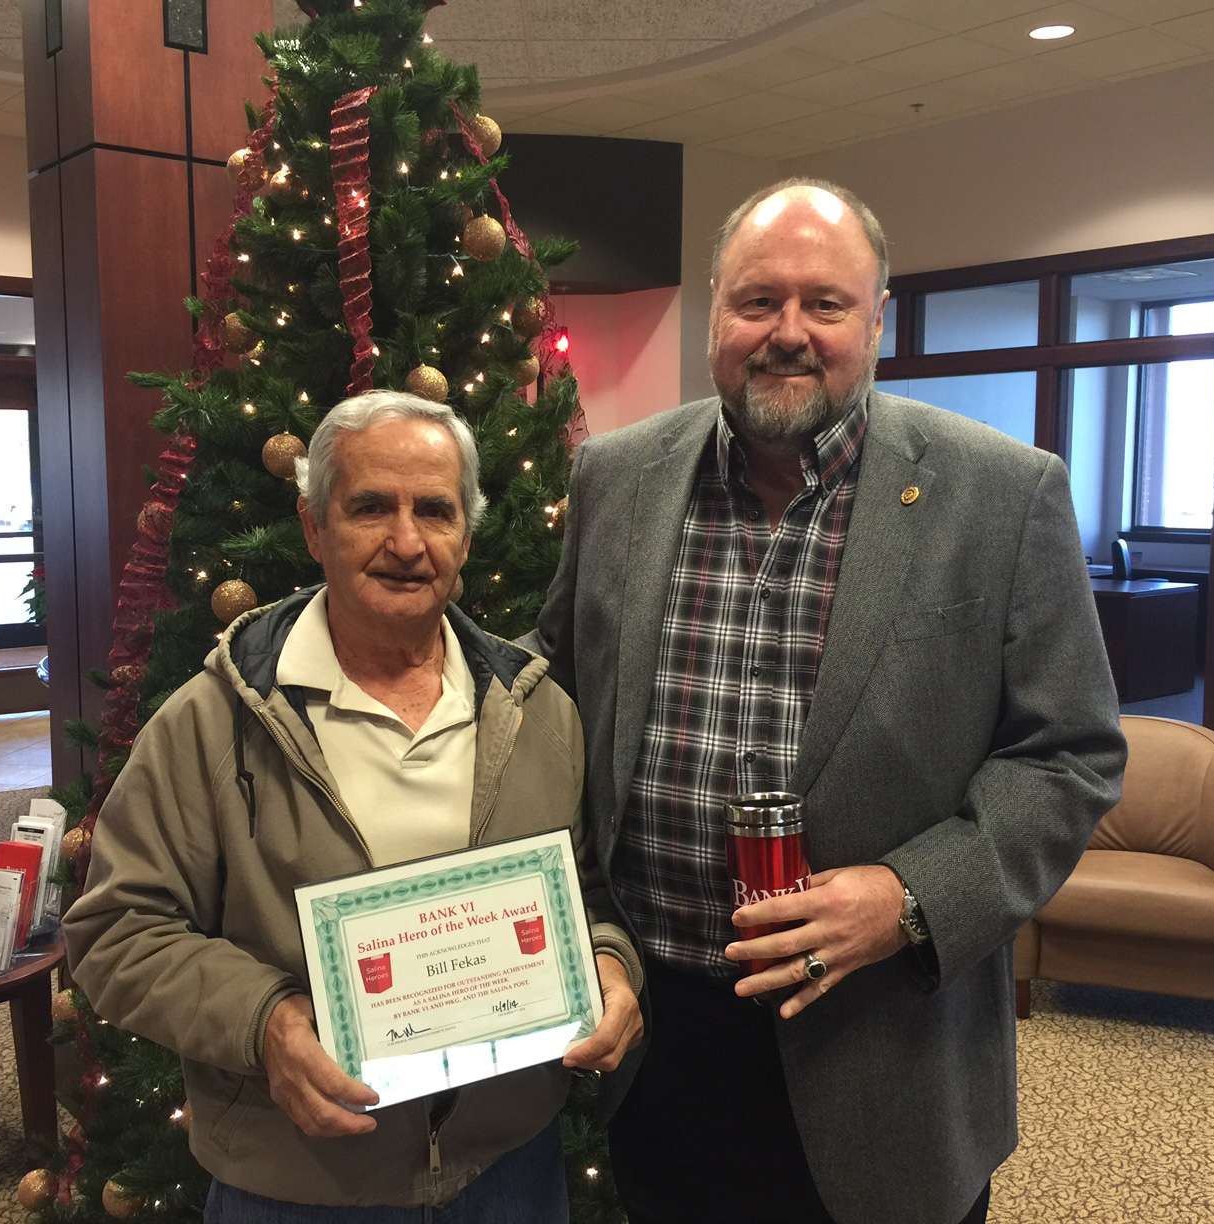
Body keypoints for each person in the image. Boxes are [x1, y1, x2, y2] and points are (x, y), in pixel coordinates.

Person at [531, 178, 1127, 1224]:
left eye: (826, 304)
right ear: (716, 310)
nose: (788, 334)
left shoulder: (1002, 493)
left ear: (877, 319)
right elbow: (556, 697)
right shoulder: (615, 478)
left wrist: (906, 899)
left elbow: (1070, 754)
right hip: (656, 1028)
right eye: (758, 302)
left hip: (884, 1042)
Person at [65, 390, 644, 1221]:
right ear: (313, 526)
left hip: (510, 1171)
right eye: (371, 507)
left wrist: (611, 963)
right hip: (303, 1180)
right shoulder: (213, 720)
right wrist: (266, 1023)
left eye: (435, 511)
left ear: (466, 535)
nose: (406, 543)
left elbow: (585, 893)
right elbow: (114, 931)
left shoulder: (539, 710)